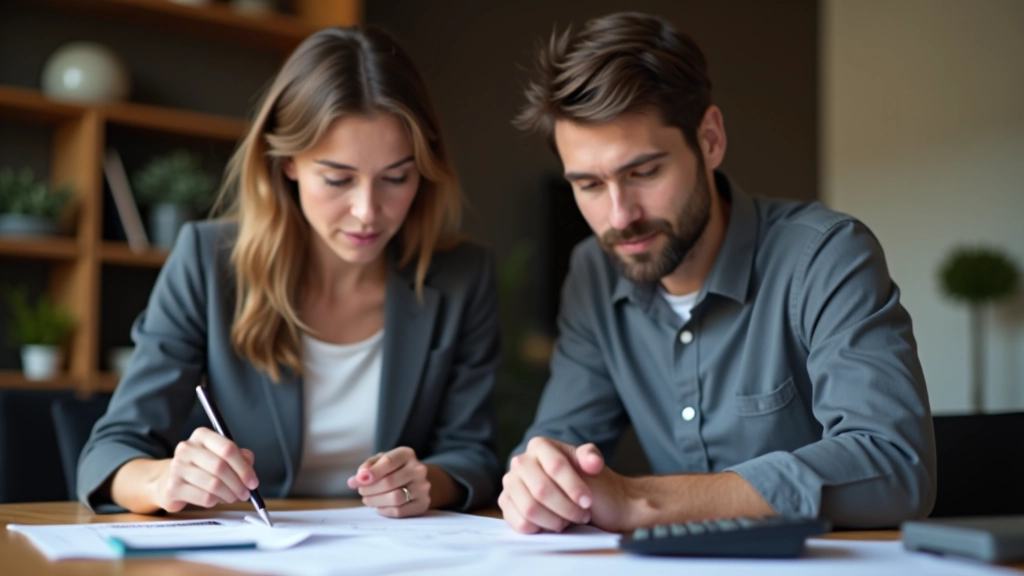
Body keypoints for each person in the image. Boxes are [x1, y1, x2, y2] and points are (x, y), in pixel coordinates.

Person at [499, 11, 936, 533]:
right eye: (589, 185)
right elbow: (560, 441)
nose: (619, 217)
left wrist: (644, 501)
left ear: (709, 139)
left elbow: (895, 465)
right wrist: (538, 481)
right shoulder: (593, 273)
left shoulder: (826, 256)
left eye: (643, 172)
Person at [78, 26, 500, 518]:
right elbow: (110, 451)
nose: (367, 210)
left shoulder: (461, 277)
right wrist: (163, 478)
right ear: (286, 163)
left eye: (396, 177)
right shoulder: (208, 261)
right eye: (338, 178)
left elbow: (474, 454)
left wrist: (427, 481)